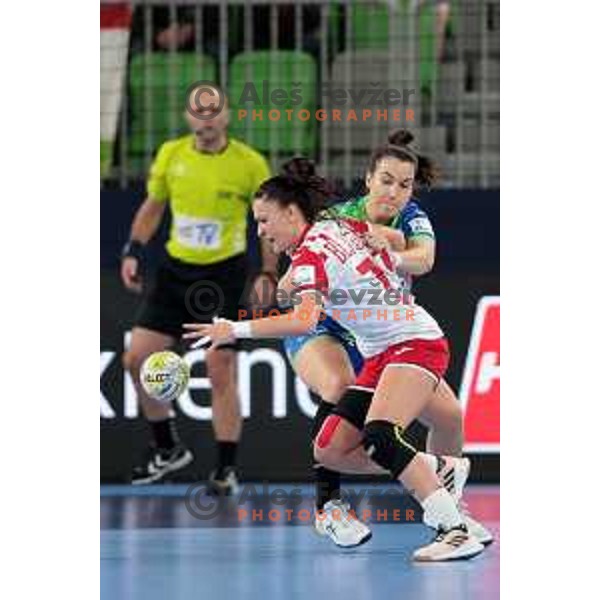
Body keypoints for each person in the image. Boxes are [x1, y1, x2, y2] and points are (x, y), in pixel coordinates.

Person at [183, 158, 484, 561]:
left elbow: (304, 319)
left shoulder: (311, 254)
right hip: (381, 352)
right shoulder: (338, 226)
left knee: (380, 436)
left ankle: (454, 527)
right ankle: (438, 467)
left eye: (264, 220)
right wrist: (388, 249)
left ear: (291, 213)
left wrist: (233, 330)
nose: (260, 231)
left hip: (414, 341)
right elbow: (383, 241)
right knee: (330, 448)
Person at [278, 130, 492, 547]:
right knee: (339, 385)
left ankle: (447, 499)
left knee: (449, 417)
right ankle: (330, 507)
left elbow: (424, 259)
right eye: (387, 180)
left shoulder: (411, 218)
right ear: (368, 179)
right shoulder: (336, 219)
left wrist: (390, 251)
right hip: (325, 322)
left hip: (382, 334)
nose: (395, 191)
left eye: (405, 184)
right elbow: (291, 271)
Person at [121, 85, 278, 491]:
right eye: (198, 111)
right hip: (175, 273)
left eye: (214, 110)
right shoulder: (171, 154)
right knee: (136, 358)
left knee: (219, 367)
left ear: (226, 115)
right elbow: (153, 208)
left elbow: (267, 224)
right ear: (189, 117)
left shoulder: (249, 163)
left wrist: (267, 272)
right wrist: (134, 249)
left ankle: (225, 468)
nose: (206, 118)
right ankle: (167, 448)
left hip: (222, 277)